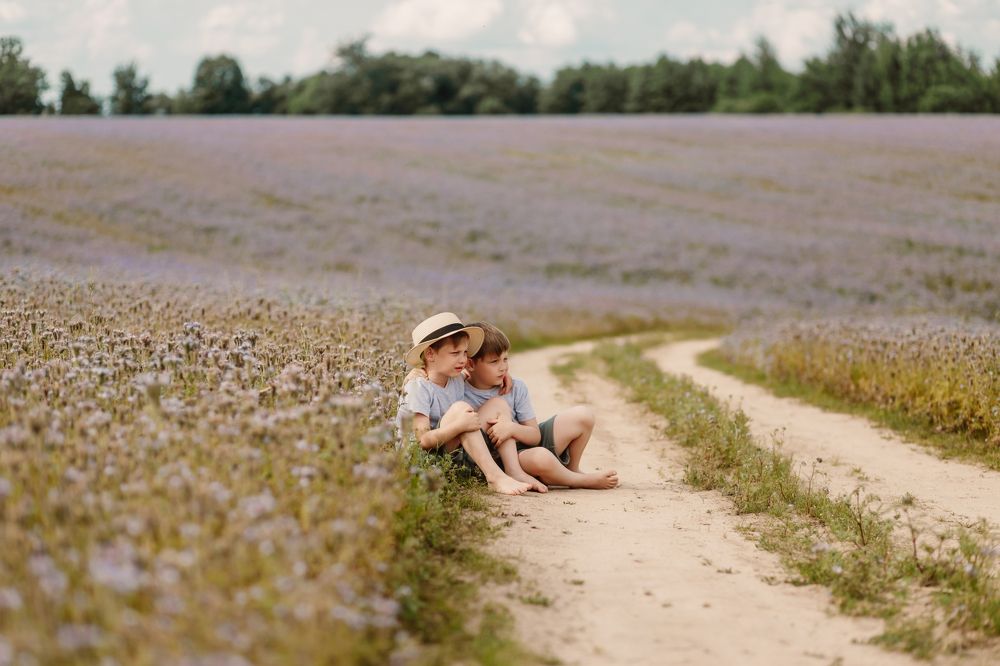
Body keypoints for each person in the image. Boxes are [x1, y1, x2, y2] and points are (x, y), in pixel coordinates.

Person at [464, 321, 619, 490]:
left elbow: (534, 436)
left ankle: (571, 469)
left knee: (583, 415)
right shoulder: (459, 388)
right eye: (494, 362)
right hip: (499, 459)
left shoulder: (515, 387)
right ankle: (579, 481)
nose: (503, 367)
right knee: (541, 457)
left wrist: (511, 428)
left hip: (524, 445)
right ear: (470, 364)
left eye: (505, 359)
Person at [400, 312, 533, 495]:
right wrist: (459, 426)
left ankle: (513, 470)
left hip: (448, 450)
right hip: (424, 461)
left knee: (498, 403)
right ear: (430, 354)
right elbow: (422, 440)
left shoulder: (455, 376)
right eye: (455, 353)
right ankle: (494, 477)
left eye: (465, 353)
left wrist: (505, 375)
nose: (463, 359)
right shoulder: (418, 387)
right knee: (462, 410)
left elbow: (477, 372)